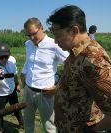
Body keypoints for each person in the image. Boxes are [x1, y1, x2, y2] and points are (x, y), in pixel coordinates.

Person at [46, 5, 111, 133]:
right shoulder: (75, 52)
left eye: (58, 35)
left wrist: (92, 131)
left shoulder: (93, 60)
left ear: (74, 30)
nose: (55, 41)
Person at [20, 17, 69, 133]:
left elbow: (71, 65)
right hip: (28, 90)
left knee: (49, 126)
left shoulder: (54, 45)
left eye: (34, 34)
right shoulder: (28, 44)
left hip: (46, 93)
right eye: (28, 35)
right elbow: (28, 61)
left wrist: (58, 87)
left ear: (41, 28)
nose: (32, 38)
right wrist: (23, 72)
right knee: (27, 123)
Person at [0, 43, 24, 132]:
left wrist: (17, 84)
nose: (4, 59)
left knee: (16, 108)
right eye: (1, 57)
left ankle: (22, 124)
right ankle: (0, 129)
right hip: (0, 94)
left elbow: (14, 74)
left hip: (12, 91)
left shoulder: (12, 61)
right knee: (0, 113)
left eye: (6, 57)